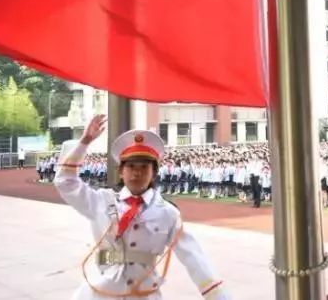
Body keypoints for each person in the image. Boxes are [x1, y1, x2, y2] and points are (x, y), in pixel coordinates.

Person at [55, 114, 230, 299]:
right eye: (131, 166)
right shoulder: (100, 201)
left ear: (154, 173)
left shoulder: (168, 213)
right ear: (121, 171)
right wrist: (84, 142)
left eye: (144, 167)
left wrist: (218, 296)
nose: (137, 172)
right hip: (101, 292)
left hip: (145, 294)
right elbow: (65, 182)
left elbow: (194, 257)